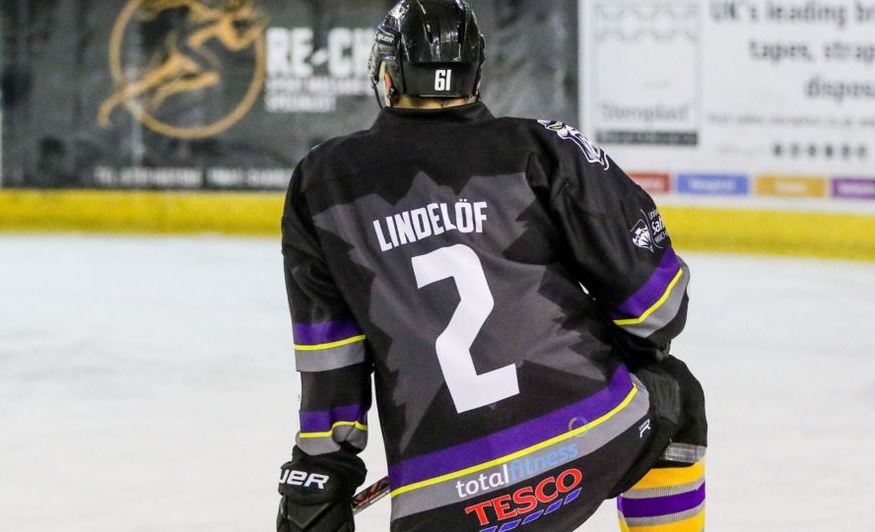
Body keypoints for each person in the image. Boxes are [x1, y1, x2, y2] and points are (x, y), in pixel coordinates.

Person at [276, 1, 707, 531]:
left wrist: (320, 473)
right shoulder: (543, 149)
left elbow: (330, 357)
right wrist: (629, 347)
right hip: (588, 444)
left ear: (387, 75)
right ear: (476, 74)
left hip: (440, 501)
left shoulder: (320, 181)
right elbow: (658, 311)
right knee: (675, 393)